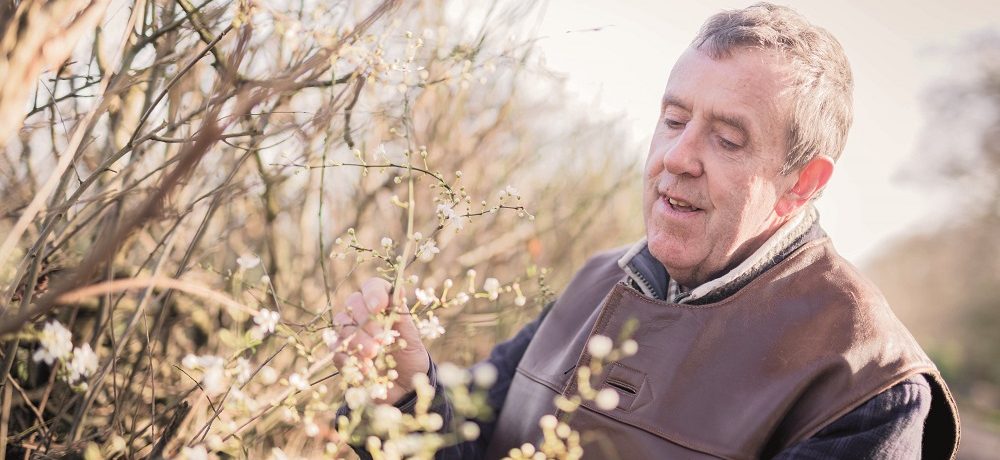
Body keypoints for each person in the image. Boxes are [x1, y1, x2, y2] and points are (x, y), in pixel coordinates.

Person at [334, 3, 960, 459]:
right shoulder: (594, 283)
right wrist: (401, 396)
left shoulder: (866, 383)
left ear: (803, 182)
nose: (678, 157)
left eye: (727, 138)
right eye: (673, 119)